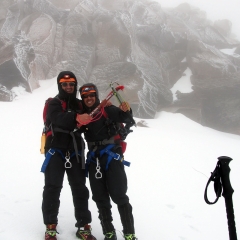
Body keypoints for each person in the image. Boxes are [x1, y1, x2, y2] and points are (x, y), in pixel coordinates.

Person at [77, 83, 137, 240]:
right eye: (85, 96)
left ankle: (129, 233)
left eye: (91, 95)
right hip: (94, 159)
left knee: (119, 194)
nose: (89, 98)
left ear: (96, 96)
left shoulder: (107, 109)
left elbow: (125, 117)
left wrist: (126, 109)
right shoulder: (82, 114)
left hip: (111, 156)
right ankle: (109, 232)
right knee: (100, 196)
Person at [41, 71, 96, 240]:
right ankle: (50, 226)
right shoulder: (54, 103)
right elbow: (57, 118)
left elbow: (95, 114)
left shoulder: (80, 105)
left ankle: (83, 226)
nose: (68, 87)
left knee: (80, 188)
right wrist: (76, 117)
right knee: (52, 188)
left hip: (75, 151)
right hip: (56, 150)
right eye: (64, 84)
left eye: (71, 84)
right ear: (60, 85)